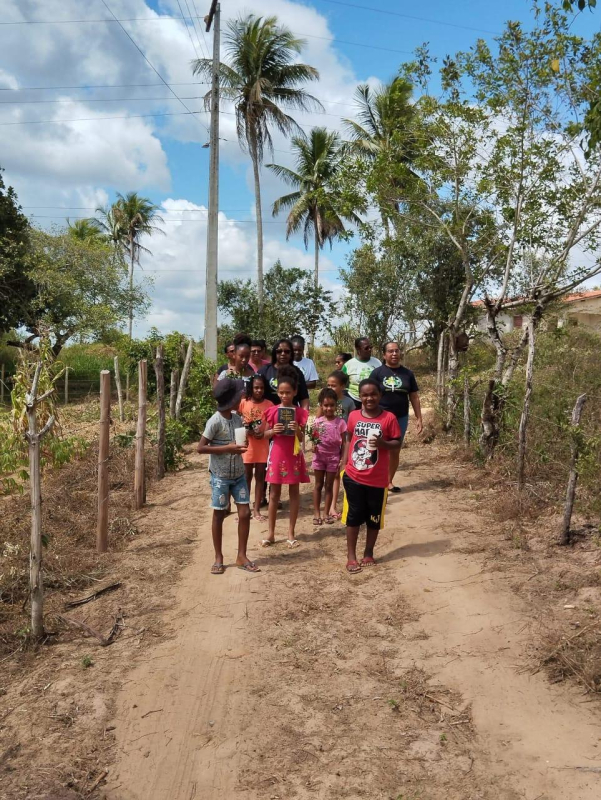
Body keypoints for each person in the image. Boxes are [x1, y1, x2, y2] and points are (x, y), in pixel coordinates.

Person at [197, 379, 260, 574]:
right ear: (230, 400)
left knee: (245, 513)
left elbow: (241, 441)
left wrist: (244, 443)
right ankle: (218, 557)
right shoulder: (214, 421)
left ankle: (242, 555)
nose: (241, 398)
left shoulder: (237, 419)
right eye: (238, 397)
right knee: (219, 514)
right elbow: (201, 448)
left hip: (239, 475)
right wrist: (228, 448)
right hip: (220, 477)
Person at [342, 378, 401, 573]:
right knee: (354, 515)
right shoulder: (353, 416)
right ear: (360, 396)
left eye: (373, 394)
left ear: (380, 395)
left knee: (374, 517)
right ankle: (351, 556)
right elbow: (349, 437)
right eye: (365, 395)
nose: (369, 398)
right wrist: (345, 461)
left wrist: (383, 444)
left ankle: (368, 552)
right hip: (353, 476)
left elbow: (397, 443)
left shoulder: (389, 418)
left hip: (377, 479)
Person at [261, 367, 310, 547]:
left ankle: (291, 532)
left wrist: (297, 429)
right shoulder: (272, 411)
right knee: (274, 494)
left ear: (295, 392)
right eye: (281, 392)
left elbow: (302, 437)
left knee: (294, 492)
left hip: (293, 454)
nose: (284, 396)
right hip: (277, 453)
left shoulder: (301, 413)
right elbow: (263, 435)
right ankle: (271, 533)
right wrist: (273, 431)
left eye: (288, 393)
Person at [369, 341, 423, 493]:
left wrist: (419, 418)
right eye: (390, 351)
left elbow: (414, 396)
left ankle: (388, 482)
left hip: (401, 418)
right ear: (384, 355)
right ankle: (374, 480)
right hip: (380, 417)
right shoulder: (377, 373)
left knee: (395, 449)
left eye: (397, 351)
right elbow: (369, 395)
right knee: (376, 448)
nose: (394, 354)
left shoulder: (408, 374)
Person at [238, 374, 273, 521]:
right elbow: (238, 420)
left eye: (261, 388)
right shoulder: (243, 403)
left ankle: (257, 509)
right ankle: (244, 509)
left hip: (262, 445)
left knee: (260, 477)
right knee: (246, 477)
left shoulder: (270, 405)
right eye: (256, 387)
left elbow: (271, 425)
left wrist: (264, 433)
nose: (258, 390)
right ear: (251, 388)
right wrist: (246, 430)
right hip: (247, 445)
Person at [311, 387, 347, 526]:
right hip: (319, 457)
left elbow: (344, 443)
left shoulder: (341, 423)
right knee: (318, 485)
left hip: (333, 458)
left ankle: (326, 513)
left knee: (329, 485)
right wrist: (313, 446)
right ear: (321, 405)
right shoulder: (317, 422)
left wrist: (343, 459)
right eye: (326, 405)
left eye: (332, 405)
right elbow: (314, 439)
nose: (329, 408)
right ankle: (316, 513)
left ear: (336, 406)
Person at [259, 338, 310, 409]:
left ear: (291, 354)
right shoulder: (264, 371)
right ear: (274, 353)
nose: (283, 354)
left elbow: (304, 398)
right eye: (279, 351)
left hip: (291, 416)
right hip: (269, 416)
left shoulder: (297, 372)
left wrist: (303, 417)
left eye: (287, 351)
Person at [342, 337, 382, 409]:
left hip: (373, 401)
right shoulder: (348, 365)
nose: (369, 350)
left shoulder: (377, 362)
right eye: (366, 348)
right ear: (358, 349)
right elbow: (342, 384)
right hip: (354, 400)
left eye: (370, 347)